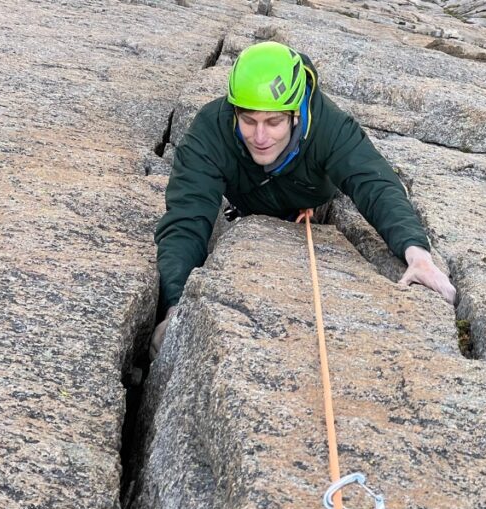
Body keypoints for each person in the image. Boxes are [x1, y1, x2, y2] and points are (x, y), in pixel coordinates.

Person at [150, 41, 456, 359]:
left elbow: (375, 185)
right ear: (235, 110)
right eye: (249, 121)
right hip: (247, 200)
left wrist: (417, 254)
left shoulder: (330, 128)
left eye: (273, 122)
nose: (260, 136)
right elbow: (187, 216)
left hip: (309, 200)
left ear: (296, 113)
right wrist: (176, 304)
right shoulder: (211, 130)